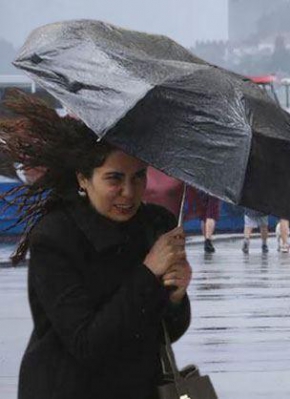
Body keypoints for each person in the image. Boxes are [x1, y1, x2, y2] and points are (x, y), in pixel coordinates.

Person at [0, 90, 192, 399]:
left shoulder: (156, 226)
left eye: (139, 177)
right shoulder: (55, 237)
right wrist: (148, 271)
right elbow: (87, 344)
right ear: (83, 179)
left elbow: (163, 332)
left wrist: (176, 298)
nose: (128, 192)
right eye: (114, 179)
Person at [185, 187, 221, 254]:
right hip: (215, 188)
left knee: (204, 216)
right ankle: (208, 240)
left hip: (201, 187)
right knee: (211, 213)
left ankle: (206, 240)